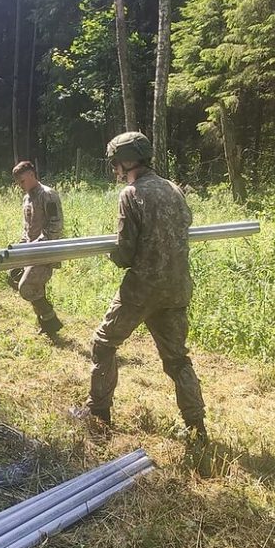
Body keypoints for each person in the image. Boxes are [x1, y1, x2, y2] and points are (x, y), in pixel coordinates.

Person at [71, 132, 212, 475]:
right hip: (176, 288)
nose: (114, 168)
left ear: (125, 161)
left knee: (104, 344)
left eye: (115, 161)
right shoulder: (173, 189)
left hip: (142, 290)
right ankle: (197, 427)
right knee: (178, 359)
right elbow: (185, 226)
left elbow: (125, 252)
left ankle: (98, 413)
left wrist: (112, 252)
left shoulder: (130, 194)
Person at [8, 161, 63, 335]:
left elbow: (56, 224)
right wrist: (20, 248)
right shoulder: (27, 198)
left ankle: (50, 319)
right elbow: (27, 228)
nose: (21, 186)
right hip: (30, 250)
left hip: (45, 250)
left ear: (32, 175)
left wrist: (40, 244)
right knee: (14, 276)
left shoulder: (48, 194)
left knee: (27, 286)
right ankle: (46, 324)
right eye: (18, 183)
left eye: (23, 181)